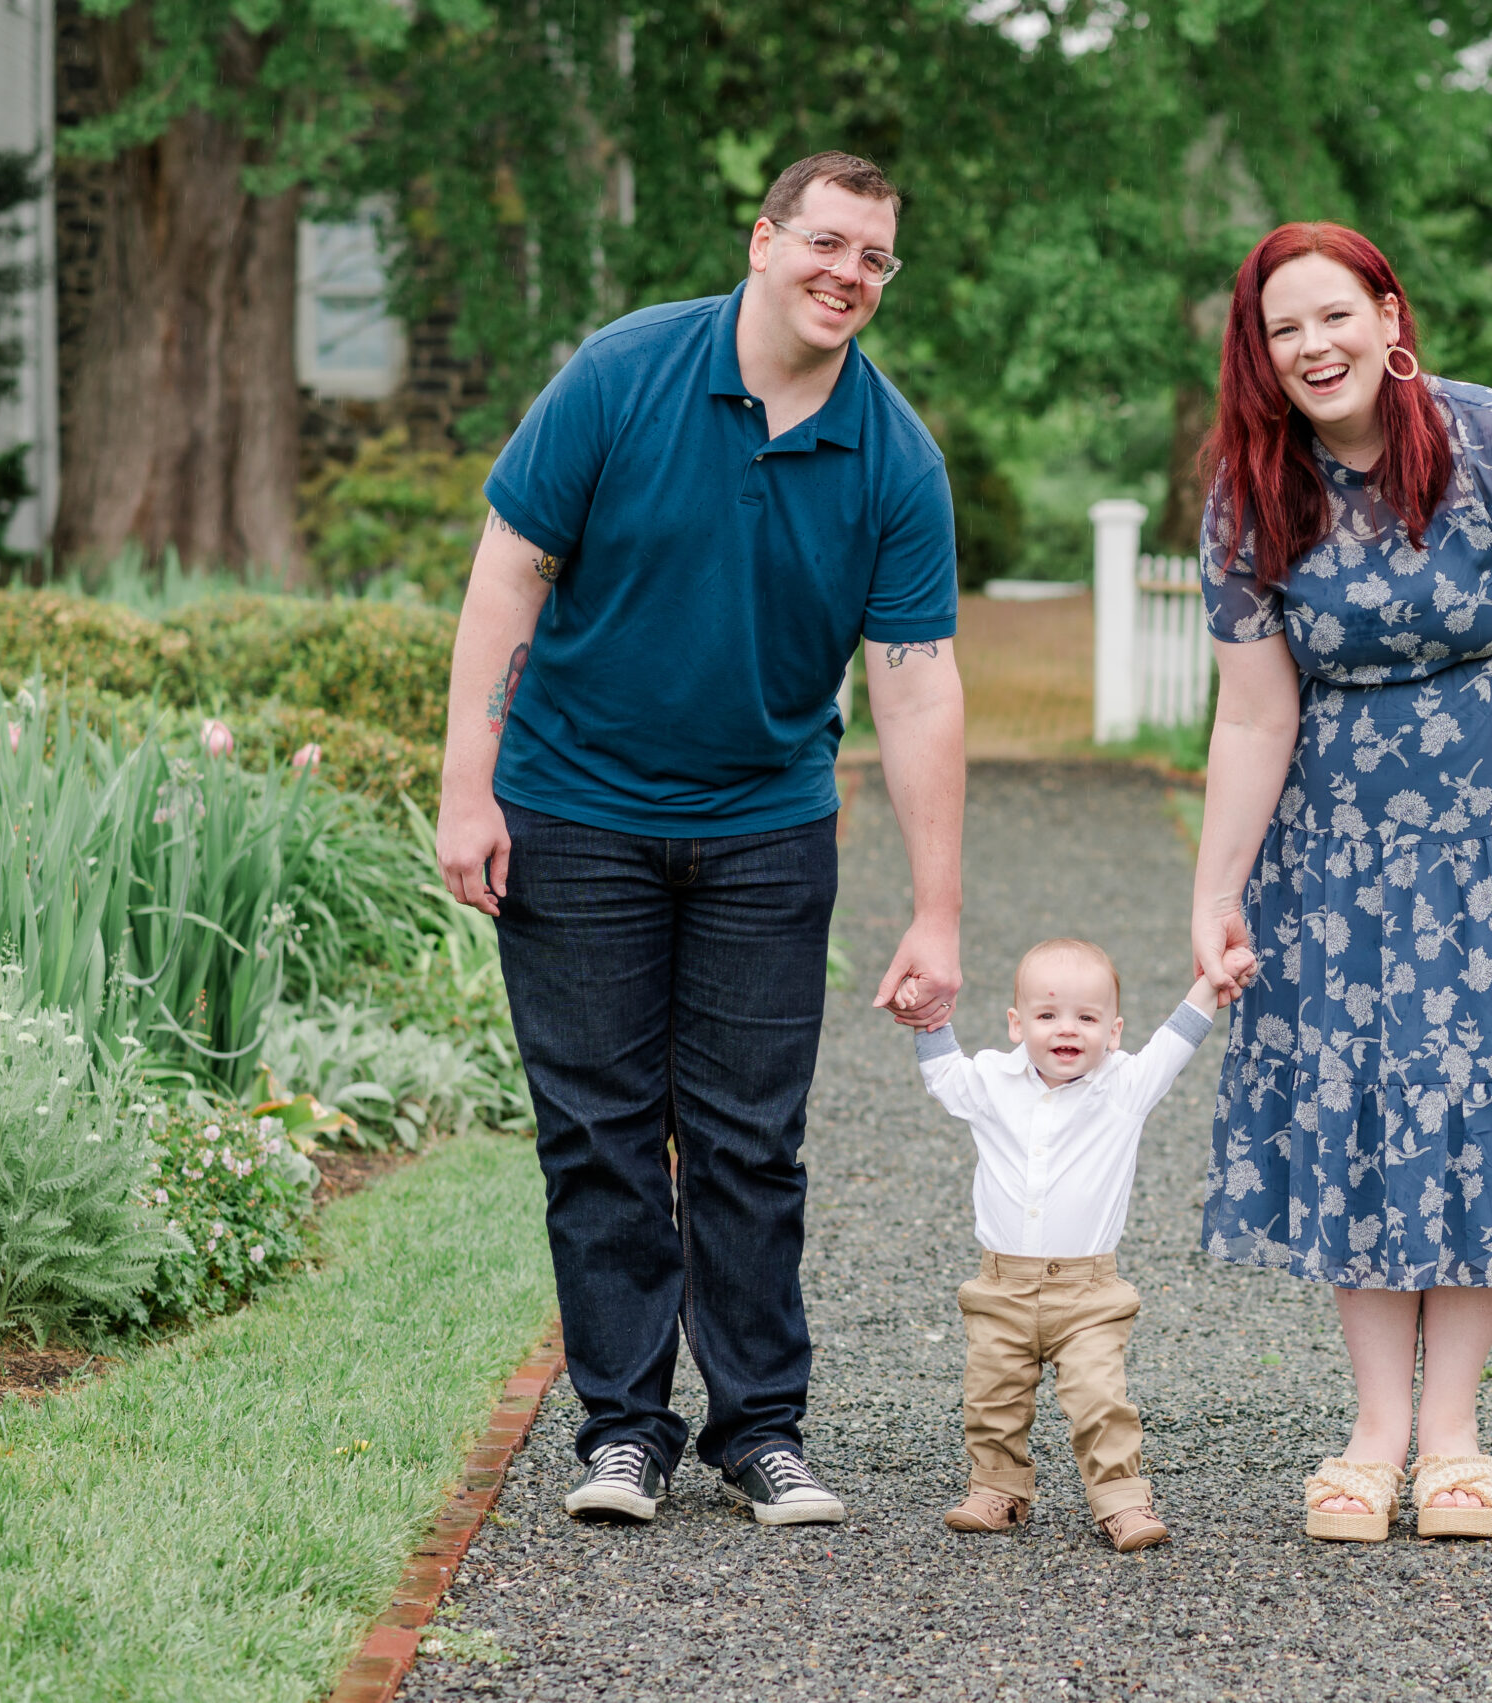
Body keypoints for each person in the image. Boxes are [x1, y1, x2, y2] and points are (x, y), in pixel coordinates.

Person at [433, 151, 966, 1529]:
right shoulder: (622, 373)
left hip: (764, 829)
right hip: (575, 809)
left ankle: (760, 1428)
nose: (847, 274)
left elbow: (914, 683)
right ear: (765, 237)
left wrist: (939, 909)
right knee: (601, 1133)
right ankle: (621, 1430)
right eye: (827, 243)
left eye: (874, 259)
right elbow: (509, 571)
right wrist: (466, 787)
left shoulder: (894, 454)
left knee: (748, 1141)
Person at [1187, 222, 1492, 1542]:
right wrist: (1217, 887)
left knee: (1477, 1118)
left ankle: (1454, 1435)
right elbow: (1253, 716)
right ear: (1263, 357)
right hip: (1337, 853)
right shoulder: (1251, 492)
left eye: (1335, 314)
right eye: (1284, 330)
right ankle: (1372, 1430)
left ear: (1391, 317)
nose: (1313, 345)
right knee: (1366, 1116)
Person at [909, 940, 1226, 1552]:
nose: (1067, 1030)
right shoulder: (992, 1082)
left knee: (1100, 1398)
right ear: (1016, 1023)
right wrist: (929, 1015)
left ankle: (1121, 1501)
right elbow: (943, 1076)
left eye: (1087, 1017)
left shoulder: (1125, 1087)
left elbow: (1174, 1043)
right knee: (992, 1394)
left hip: (1089, 1293)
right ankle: (998, 1489)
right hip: (1000, 1286)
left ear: (1113, 1030)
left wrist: (1211, 984)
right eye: (1048, 1015)